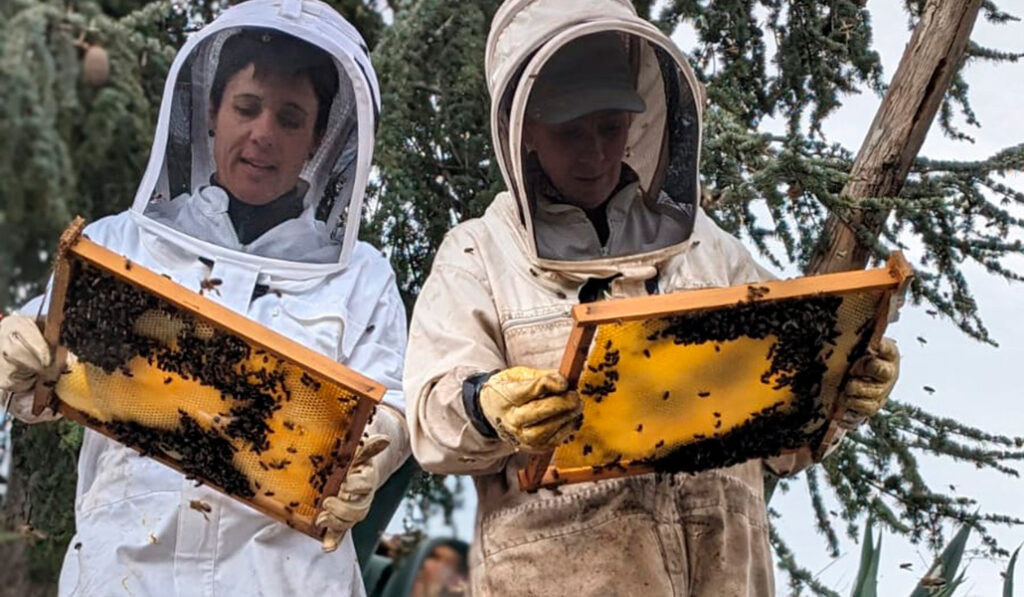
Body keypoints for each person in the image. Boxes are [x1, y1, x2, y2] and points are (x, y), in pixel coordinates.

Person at [403, 1, 899, 595]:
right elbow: (431, 421)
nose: (594, 153)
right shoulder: (478, 254)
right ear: (525, 129)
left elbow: (783, 446)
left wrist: (838, 393)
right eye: (569, 131)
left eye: (610, 127)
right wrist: (486, 403)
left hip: (725, 574)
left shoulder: (711, 251)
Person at [0, 1, 408, 594]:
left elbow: (393, 405)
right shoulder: (122, 244)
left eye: (290, 118)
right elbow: (37, 381)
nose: (263, 133)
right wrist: (17, 350)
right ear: (212, 112)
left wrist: (378, 450)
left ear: (318, 139)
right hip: (124, 574)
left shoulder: (361, 278)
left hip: (283, 581)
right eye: (246, 107)